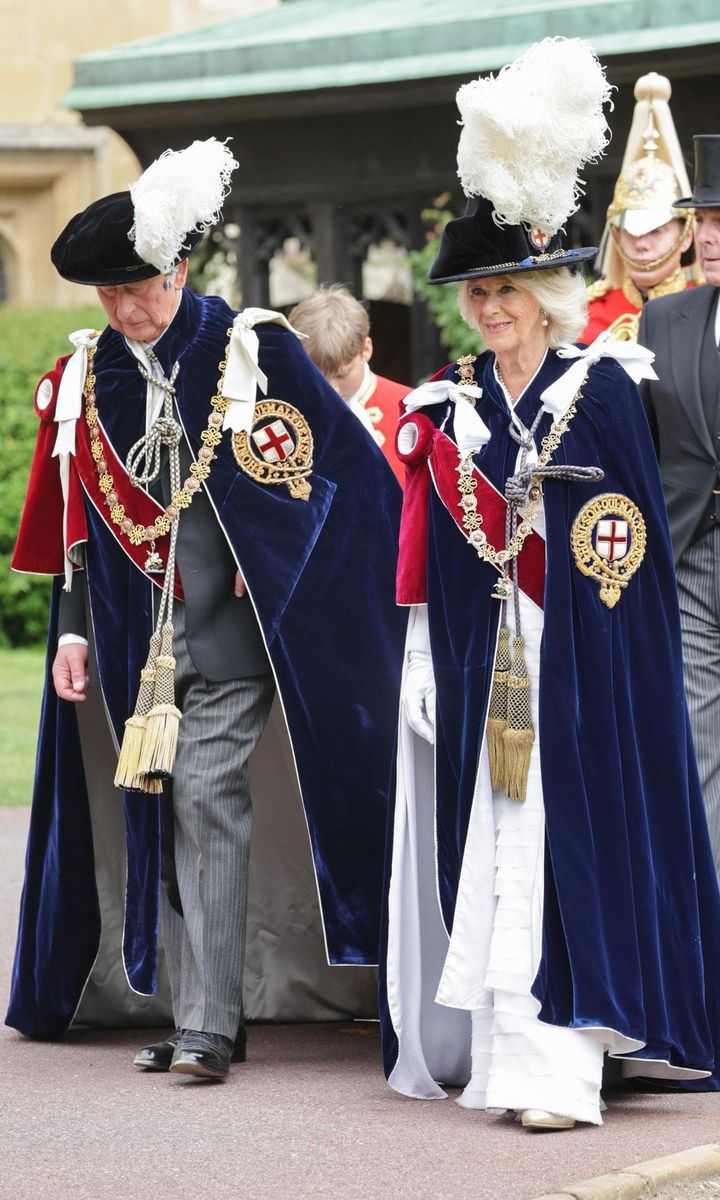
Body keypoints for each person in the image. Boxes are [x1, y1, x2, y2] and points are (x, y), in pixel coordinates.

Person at [7, 139, 406, 1080]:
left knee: (205, 796)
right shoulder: (86, 378)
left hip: (232, 636)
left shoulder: (251, 347)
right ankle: (192, 1008)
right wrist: (69, 624)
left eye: (140, 288)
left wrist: (265, 559)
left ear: (179, 268)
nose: (126, 310)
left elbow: (339, 473)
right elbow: (75, 514)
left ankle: (209, 1028)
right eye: (108, 296)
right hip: (127, 645)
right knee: (155, 810)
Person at [380, 37, 720, 1133]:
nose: (489, 311)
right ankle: (504, 1061)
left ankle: (566, 1073)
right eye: (476, 293)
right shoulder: (447, 403)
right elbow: (427, 541)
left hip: (583, 660)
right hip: (486, 664)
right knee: (496, 847)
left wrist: (592, 646)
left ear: (548, 290)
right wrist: (427, 656)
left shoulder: (607, 390)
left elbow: (628, 542)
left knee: (564, 853)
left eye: (508, 290)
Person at [638, 134, 720, 881]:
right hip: (689, 555)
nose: (710, 238)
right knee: (698, 747)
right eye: (705, 220)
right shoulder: (665, 321)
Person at [582, 73, 698, 343]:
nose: (641, 244)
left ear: (686, 236)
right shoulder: (588, 312)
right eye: (630, 231)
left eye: (656, 231)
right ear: (617, 234)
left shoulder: (710, 306)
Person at [289, 285, 410, 483]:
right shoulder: (286, 414)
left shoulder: (410, 410)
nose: (332, 390)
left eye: (341, 374)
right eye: (318, 378)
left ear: (366, 349)